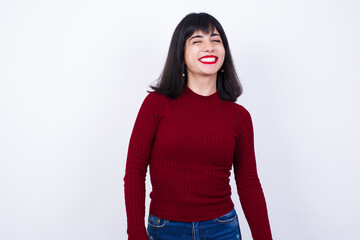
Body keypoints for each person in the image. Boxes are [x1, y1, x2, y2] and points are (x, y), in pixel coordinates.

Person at [123, 12, 273, 240]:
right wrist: (136, 233)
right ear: (181, 53)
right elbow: (135, 170)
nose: (209, 47)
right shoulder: (156, 105)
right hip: (165, 230)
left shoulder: (239, 117)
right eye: (197, 41)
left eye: (215, 40)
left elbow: (248, 182)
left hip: (222, 228)